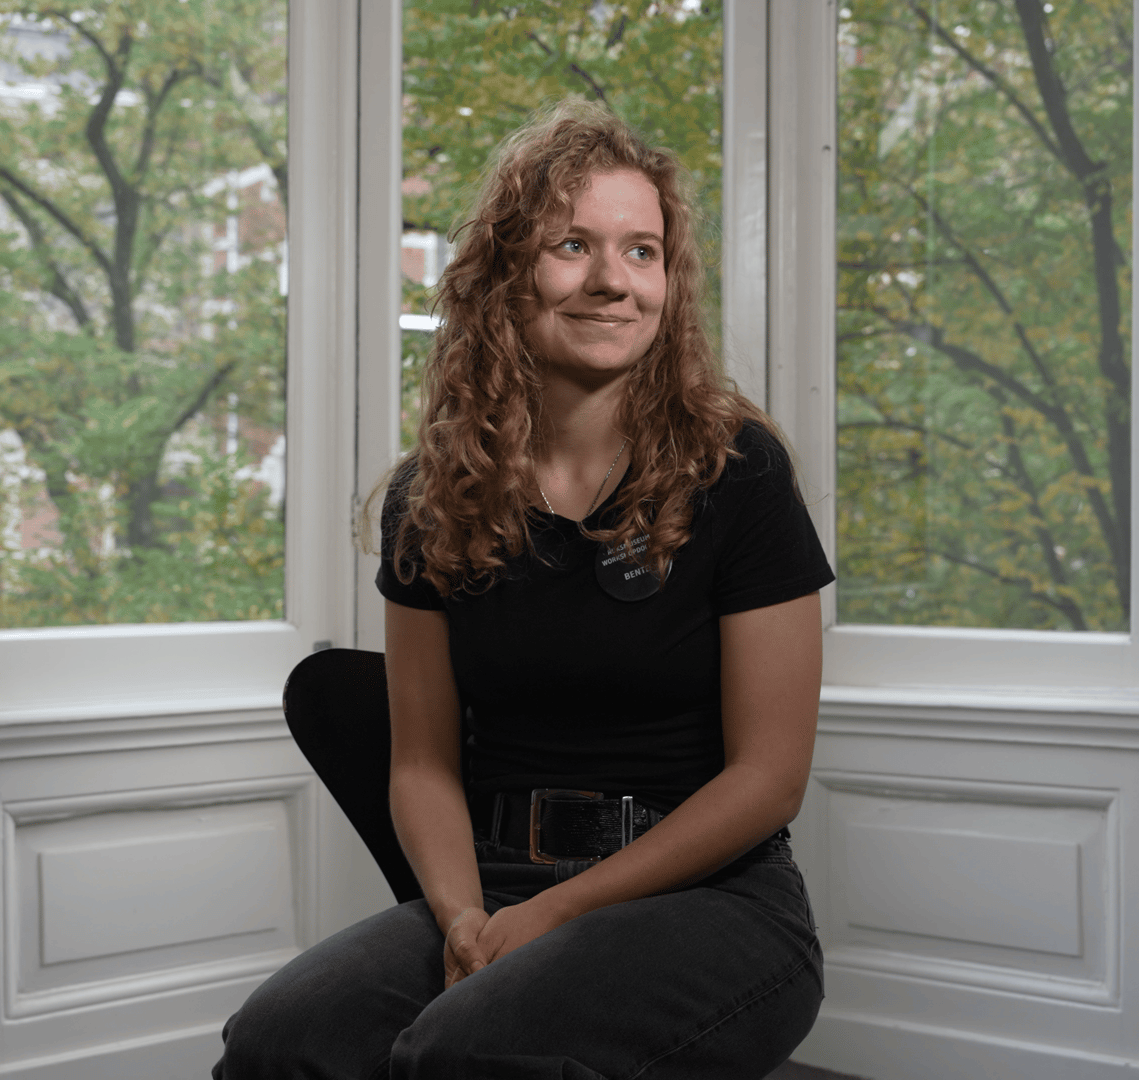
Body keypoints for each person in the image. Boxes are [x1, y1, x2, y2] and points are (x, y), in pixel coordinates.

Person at [214, 99, 834, 1080]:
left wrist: (557, 912)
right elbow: (421, 763)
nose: (609, 281)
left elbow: (770, 778)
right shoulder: (430, 497)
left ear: (670, 283)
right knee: (278, 1041)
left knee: (466, 1054)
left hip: (715, 901)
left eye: (641, 252)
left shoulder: (738, 473)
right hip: (495, 879)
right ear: (506, 273)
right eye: (572, 245)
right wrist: (465, 918)